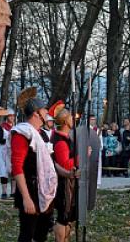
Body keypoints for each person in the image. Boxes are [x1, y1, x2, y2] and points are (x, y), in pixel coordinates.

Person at [10, 96, 56, 242]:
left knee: (41, 234)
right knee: (27, 234)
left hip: (44, 190)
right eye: (44, 109)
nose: (47, 112)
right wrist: (26, 198)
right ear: (37, 113)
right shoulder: (22, 133)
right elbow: (17, 168)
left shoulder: (42, 134)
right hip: (30, 189)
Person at [49, 101, 77, 242]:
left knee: (69, 216)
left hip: (69, 183)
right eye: (71, 118)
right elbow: (65, 165)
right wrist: (80, 157)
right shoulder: (60, 141)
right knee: (63, 217)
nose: (74, 120)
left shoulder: (65, 138)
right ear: (65, 121)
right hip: (63, 183)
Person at [0, 109, 16, 198]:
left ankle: (13, 192)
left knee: (13, 171)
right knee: (4, 171)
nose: (12, 117)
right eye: (10, 116)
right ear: (7, 117)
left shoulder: (16, 128)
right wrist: (8, 138)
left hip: (12, 151)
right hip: (3, 152)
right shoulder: (2, 127)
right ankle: (4, 192)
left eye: (13, 116)